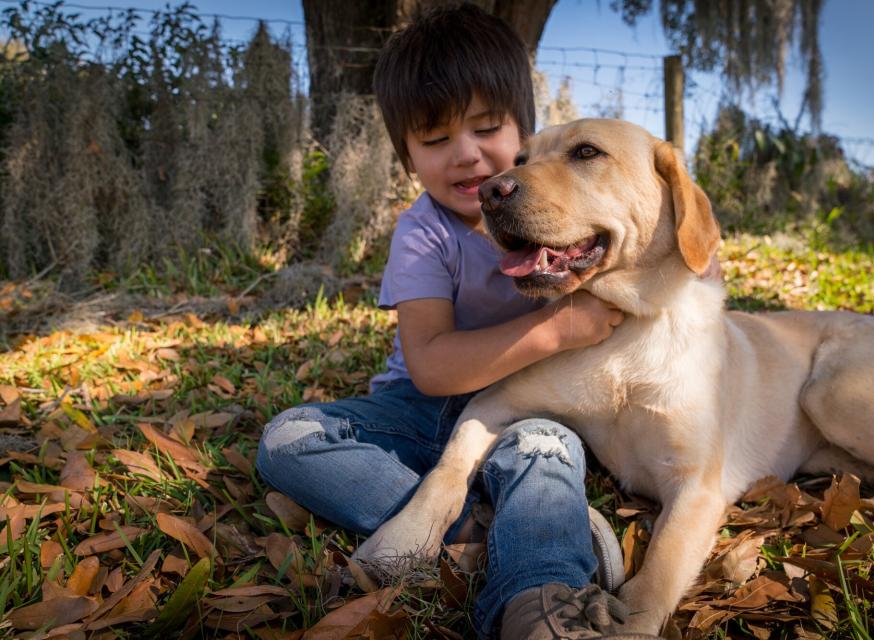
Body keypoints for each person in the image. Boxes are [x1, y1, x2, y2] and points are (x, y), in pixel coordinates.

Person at [256, 5, 661, 639]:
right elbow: (432, 365)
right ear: (405, 155)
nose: (467, 156)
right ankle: (498, 526)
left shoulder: (567, 219)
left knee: (546, 450)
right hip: (419, 414)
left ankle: (538, 597)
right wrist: (556, 331)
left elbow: (642, 254)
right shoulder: (423, 232)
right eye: (436, 139)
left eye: (487, 127)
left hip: (526, 415)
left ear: (525, 128)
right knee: (288, 436)